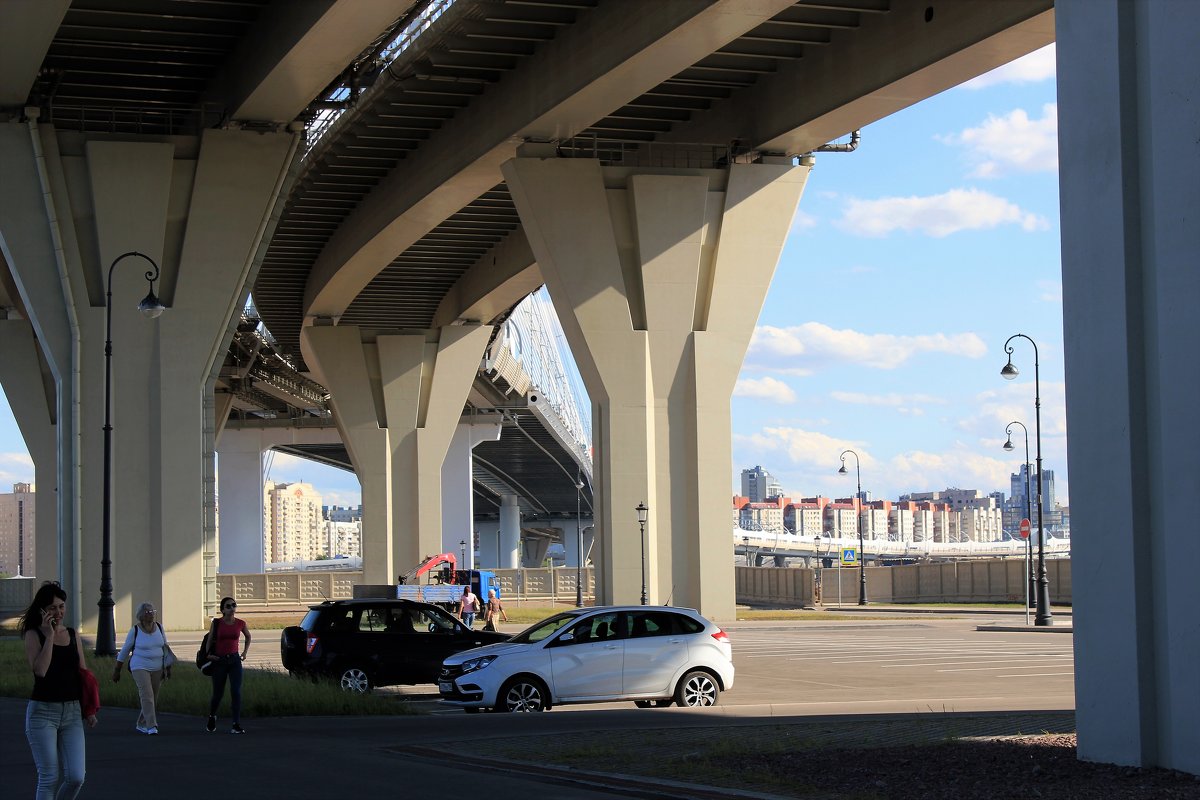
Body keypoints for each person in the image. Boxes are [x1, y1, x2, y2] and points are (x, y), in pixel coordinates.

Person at [21, 581, 96, 800]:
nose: (59, 612)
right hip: (42, 713)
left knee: (76, 776)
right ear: (43, 610)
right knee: (49, 777)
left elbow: (83, 673)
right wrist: (50, 636)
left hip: (72, 713)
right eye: (53, 607)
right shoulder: (34, 635)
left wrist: (89, 709)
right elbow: (40, 671)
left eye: (61, 606)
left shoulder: (72, 635)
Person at [112, 602, 173, 735]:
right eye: (147, 612)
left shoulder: (160, 628)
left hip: (158, 667)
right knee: (147, 695)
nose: (151, 614)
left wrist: (168, 668)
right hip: (139, 666)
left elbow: (165, 647)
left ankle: (141, 722)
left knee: (153, 697)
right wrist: (117, 670)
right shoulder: (135, 630)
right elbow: (124, 651)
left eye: (152, 612)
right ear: (141, 616)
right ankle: (152, 726)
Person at [204, 596, 250, 734]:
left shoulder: (240, 623)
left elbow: (248, 636)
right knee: (218, 693)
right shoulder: (217, 623)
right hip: (220, 661)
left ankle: (236, 723)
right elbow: (210, 638)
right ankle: (212, 716)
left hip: (235, 660)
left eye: (234, 605)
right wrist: (208, 654)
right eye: (228, 606)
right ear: (223, 609)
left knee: (236, 691)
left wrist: (244, 652)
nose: (232, 608)